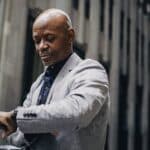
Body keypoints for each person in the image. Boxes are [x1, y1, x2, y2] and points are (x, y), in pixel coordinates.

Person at [0, 8, 110, 150]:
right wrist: (6, 126)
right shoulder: (39, 83)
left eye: (49, 38)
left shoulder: (91, 70)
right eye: (36, 41)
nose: (41, 47)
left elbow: (76, 112)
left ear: (70, 36)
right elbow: (22, 136)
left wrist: (15, 118)